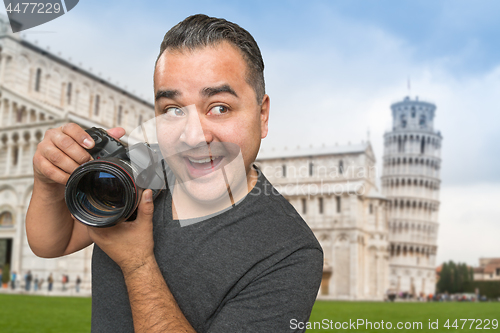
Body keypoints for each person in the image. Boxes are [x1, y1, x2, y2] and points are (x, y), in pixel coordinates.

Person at [26, 14, 323, 332]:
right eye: (172, 110)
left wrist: (138, 263)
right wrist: (48, 183)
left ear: (262, 115)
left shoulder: (289, 252)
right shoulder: (144, 170)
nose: (193, 136)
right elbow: (51, 244)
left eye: (219, 107)